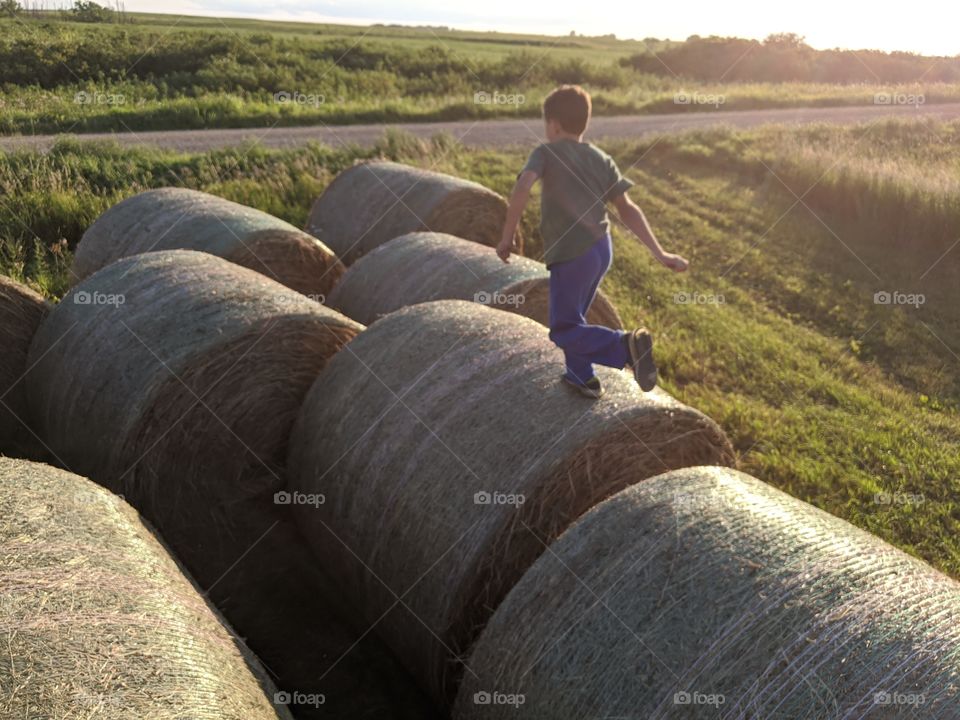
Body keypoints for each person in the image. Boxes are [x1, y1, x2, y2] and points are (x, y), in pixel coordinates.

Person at [497, 84, 689, 398]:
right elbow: (627, 209)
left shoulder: (545, 152)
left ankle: (625, 346)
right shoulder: (601, 158)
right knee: (575, 320)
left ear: (554, 125)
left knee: (563, 329)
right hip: (601, 250)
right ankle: (581, 376)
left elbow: (522, 188)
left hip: (572, 252)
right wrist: (660, 252)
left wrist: (507, 237)